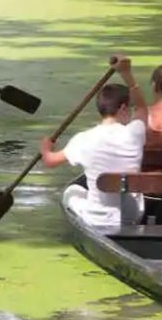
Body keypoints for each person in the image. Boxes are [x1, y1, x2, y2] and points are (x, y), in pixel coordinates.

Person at [39, 55, 148, 227]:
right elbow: (142, 107)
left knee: (72, 192)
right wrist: (127, 74)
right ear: (123, 108)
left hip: (98, 219)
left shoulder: (84, 139)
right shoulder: (135, 132)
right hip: (132, 216)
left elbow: (50, 161)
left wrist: (46, 147)